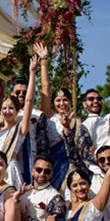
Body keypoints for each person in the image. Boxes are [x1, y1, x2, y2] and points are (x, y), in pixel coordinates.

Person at [35, 43, 94, 193]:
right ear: (53, 103)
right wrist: (44, 60)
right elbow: (45, 86)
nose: (62, 103)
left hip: (72, 167)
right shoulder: (49, 116)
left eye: (65, 100)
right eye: (58, 100)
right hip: (52, 165)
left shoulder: (77, 122)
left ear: (70, 102)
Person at [0, 46, 39, 187]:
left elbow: (29, 101)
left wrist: (32, 73)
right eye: (4, 108)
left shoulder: (20, 129)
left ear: (17, 111)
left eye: (11, 108)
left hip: (10, 170)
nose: (7, 111)